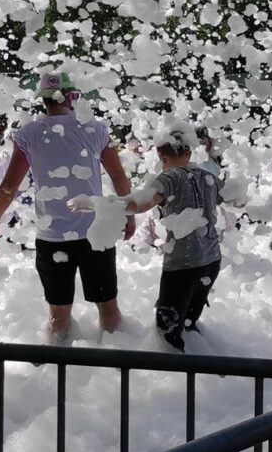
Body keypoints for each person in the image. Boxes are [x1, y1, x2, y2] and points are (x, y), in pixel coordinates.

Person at [0, 71, 135, 341]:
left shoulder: (27, 134)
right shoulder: (95, 129)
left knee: (57, 316)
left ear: (44, 101)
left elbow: (9, 186)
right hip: (95, 234)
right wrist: (128, 214)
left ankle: (55, 371)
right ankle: (116, 371)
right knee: (109, 310)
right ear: (71, 95)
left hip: (52, 238)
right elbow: (118, 177)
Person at [73, 122, 220, 351]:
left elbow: (139, 204)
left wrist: (95, 204)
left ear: (160, 154)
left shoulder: (168, 178)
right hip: (211, 261)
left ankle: (175, 380)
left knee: (167, 332)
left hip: (183, 265)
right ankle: (205, 369)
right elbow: (235, 199)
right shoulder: (208, 177)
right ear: (189, 151)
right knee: (189, 324)